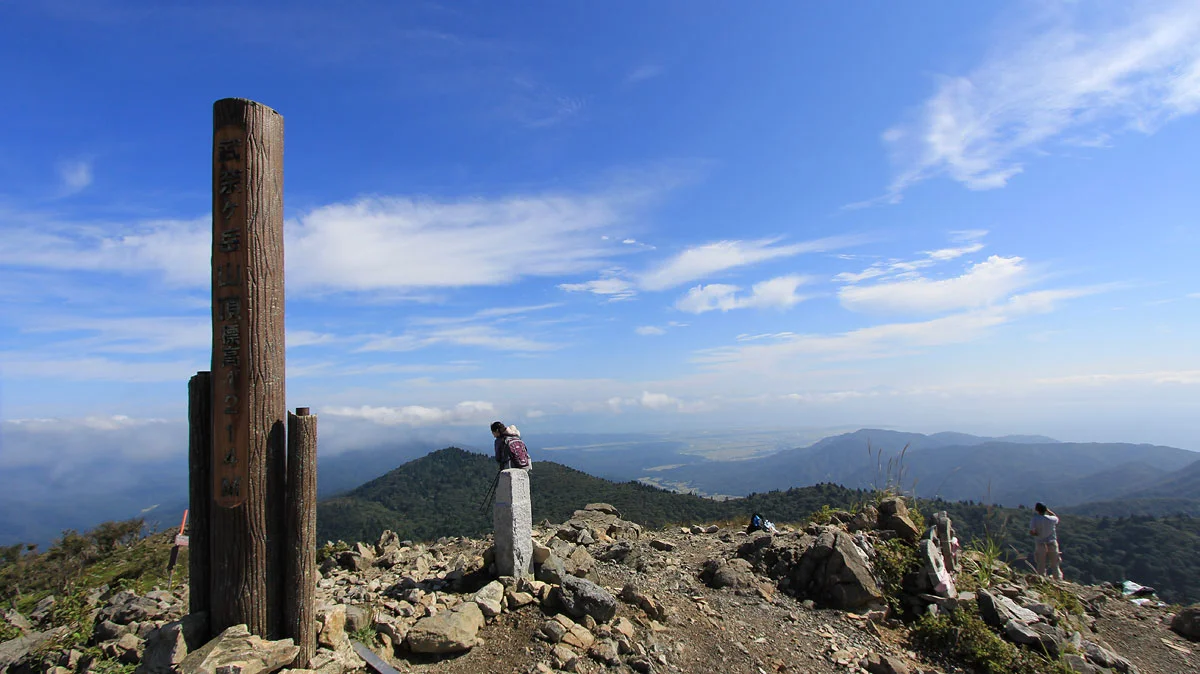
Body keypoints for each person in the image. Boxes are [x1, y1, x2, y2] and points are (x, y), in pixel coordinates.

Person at [1029, 502, 1064, 580]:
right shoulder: (1052, 519)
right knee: (1055, 564)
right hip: (1052, 542)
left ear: (1036, 510)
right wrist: (1048, 510)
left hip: (1040, 543)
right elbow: (1056, 518)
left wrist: (1036, 534)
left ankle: (1041, 580)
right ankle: (1058, 579)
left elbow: (1031, 532)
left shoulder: (1035, 519)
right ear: (1045, 510)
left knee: (1041, 564)